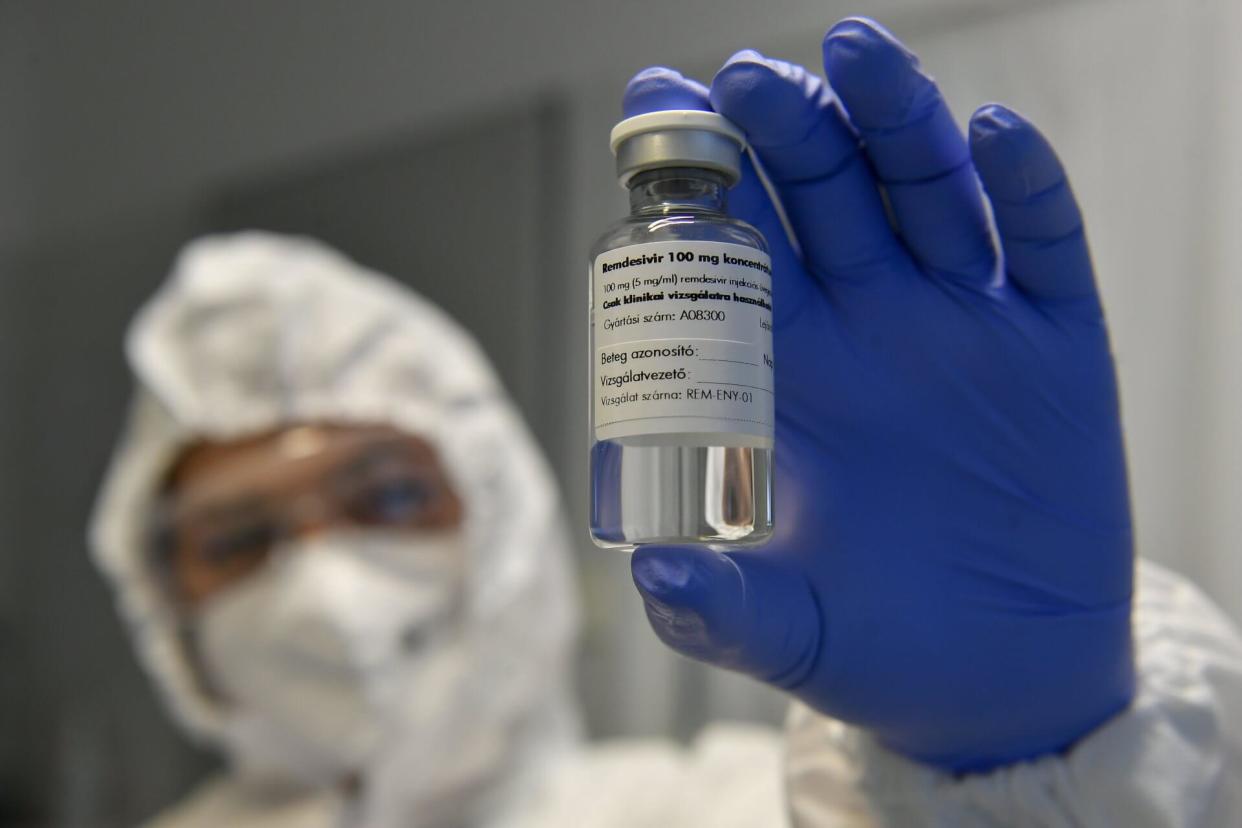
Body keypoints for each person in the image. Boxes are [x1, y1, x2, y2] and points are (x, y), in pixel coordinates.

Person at [90, 17, 1242, 828]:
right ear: (167, 606)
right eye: (239, 539)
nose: (324, 579)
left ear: (498, 516)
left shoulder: (739, 810)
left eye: (388, 495)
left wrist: (1012, 758)